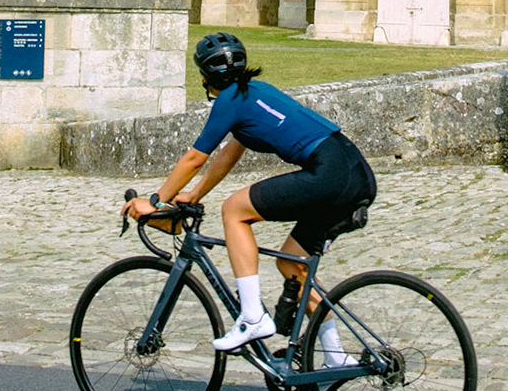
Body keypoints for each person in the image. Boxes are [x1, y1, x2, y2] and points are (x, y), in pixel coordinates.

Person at [124, 32, 376, 356]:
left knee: (234, 210)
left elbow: (195, 158)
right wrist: (196, 193)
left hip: (329, 173)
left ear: (203, 76)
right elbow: (230, 151)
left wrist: (156, 201)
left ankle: (252, 316)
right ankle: (336, 358)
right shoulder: (255, 92)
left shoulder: (229, 100)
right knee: (293, 269)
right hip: (354, 172)